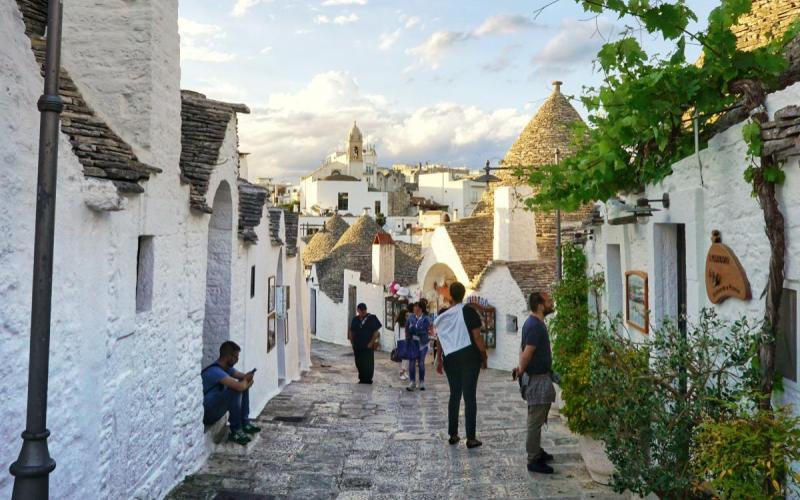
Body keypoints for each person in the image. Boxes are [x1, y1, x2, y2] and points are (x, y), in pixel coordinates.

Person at [433, 282, 488, 448]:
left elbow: (440, 338)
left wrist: (439, 359)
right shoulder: (469, 312)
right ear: (463, 294)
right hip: (469, 357)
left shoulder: (444, 315)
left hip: (451, 358)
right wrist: (484, 356)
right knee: (469, 396)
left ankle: (453, 434)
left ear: (450, 295)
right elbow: (477, 337)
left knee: (454, 394)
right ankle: (471, 438)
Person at [515, 291, 557, 474]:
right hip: (537, 379)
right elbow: (527, 352)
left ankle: (536, 450)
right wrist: (521, 370)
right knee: (535, 420)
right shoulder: (535, 326)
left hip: (540, 377)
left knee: (538, 417)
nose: (552, 303)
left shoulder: (534, 323)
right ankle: (533, 458)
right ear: (540, 306)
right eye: (548, 302)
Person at [201, 341, 261, 445]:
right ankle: (236, 430)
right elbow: (240, 386)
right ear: (228, 356)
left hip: (215, 407)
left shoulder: (226, 368)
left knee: (241, 386)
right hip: (207, 413)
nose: (237, 360)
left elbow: (243, 378)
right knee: (235, 389)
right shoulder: (215, 371)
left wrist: (247, 378)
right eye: (236, 357)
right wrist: (246, 381)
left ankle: (245, 423)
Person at [349, 303, 382, 384]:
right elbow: (351, 331)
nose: (362, 312)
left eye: (364, 310)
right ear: (358, 310)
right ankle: (362, 378)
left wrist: (371, 343)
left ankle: (368, 379)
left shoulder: (372, 318)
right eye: (361, 311)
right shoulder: (355, 319)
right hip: (357, 345)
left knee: (368, 362)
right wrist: (352, 342)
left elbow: (376, 332)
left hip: (368, 345)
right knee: (359, 362)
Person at [406, 302, 431, 391]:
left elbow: (423, 330)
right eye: (414, 307)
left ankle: (421, 381)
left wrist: (413, 329)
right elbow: (407, 329)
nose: (414, 309)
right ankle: (412, 381)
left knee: (421, 363)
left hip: (422, 343)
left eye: (416, 307)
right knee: (412, 362)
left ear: (420, 308)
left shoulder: (426, 318)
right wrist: (408, 337)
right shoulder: (411, 317)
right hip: (412, 343)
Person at [396, 307, 410, 381]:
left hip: (407, 341)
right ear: (403, 316)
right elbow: (396, 335)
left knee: (407, 358)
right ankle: (401, 373)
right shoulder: (398, 324)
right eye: (406, 315)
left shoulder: (408, 323)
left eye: (408, 315)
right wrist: (396, 345)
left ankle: (404, 371)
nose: (407, 317)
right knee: (400, 359)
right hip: (400, 341)